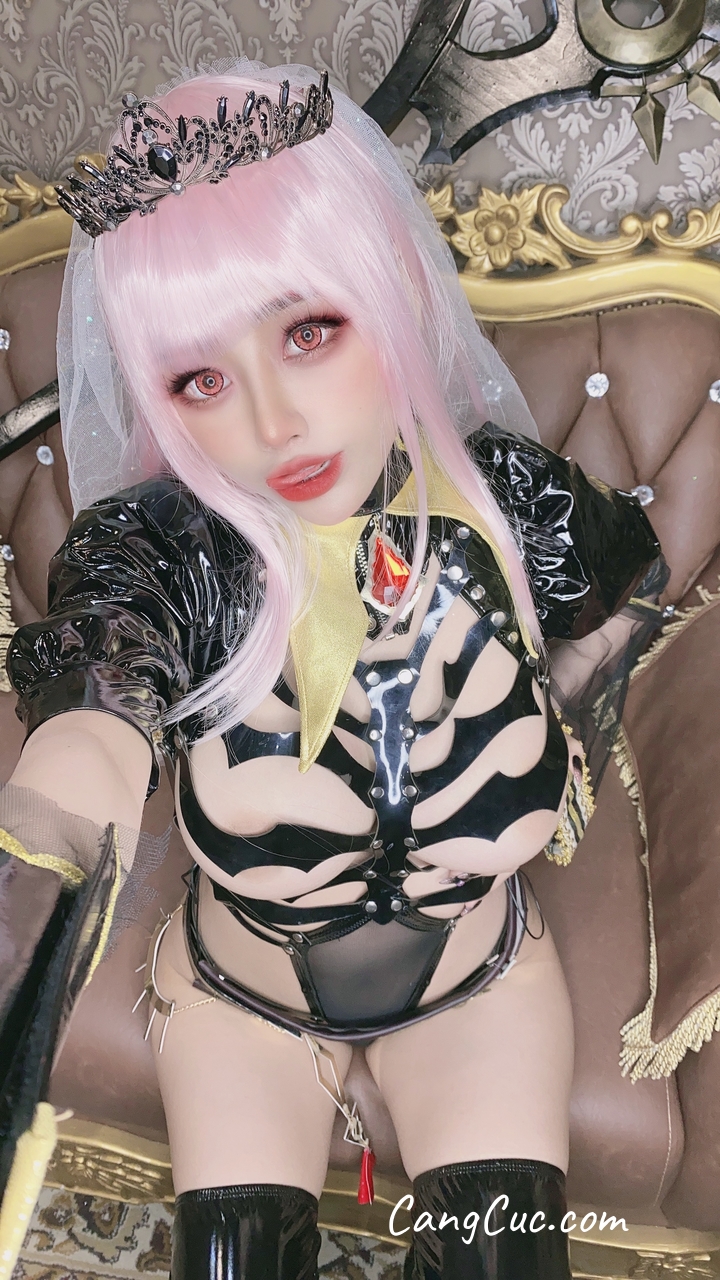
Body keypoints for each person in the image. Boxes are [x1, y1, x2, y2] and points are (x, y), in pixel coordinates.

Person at [0, 60, 663, 1280]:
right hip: (240, 1010)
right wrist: (44, 838)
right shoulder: (168, 554)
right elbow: (95, 703)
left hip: (480, 991)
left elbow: (628, 597)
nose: (273, 424)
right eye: (200, 378)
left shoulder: (519, 507)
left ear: (390, 283)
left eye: (310, 331)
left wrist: (559, 720)